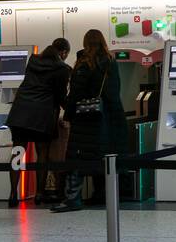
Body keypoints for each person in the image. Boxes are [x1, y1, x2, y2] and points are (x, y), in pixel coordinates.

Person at [54, 30, 127, 213]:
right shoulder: (111, 62)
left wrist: (68, 115)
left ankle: (72, 198)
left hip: (86, 120)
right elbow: (115, 92)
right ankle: (101, 195)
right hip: (109, 118)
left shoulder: (84, 63)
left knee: (77, 159)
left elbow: (76, 93)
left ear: (86, 43)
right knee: (102, 158)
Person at [5, 38, 71, 206]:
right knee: (42, 153)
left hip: (20, 113)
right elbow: (61, 96)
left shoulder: (33, 61)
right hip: (42, 115)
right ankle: (39, 194)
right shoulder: (62, 68)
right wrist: (71, 112)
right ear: (63, 52)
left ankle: (13, 194)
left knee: (18, 152)